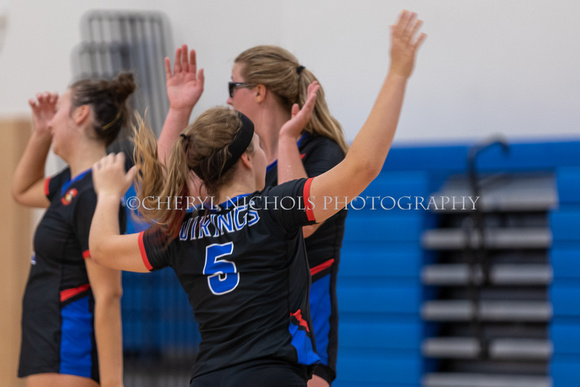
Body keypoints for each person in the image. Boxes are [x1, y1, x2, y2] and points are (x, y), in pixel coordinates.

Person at [89, 10, 425, 387]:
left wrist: (106, 197)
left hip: (207, 377)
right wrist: (397, 73)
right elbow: (363, 165)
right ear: (249, 158)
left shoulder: (181, 231)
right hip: (274, 372)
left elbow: (101, 248)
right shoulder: (276, 209)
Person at [158, 38, 348, 387]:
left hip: (305, 331)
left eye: (234, 86)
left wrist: (288, 141)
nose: (228, 98)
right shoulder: (243, 162)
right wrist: (178, 112)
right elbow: (176, 188)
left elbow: (302, 224)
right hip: (247, 342)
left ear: (259, 92)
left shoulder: (322, 152)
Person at [11, 72, 136, 387]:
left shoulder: (95, 192)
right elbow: (22, 190)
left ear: (81, 114)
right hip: (47, 347)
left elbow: (109, 293)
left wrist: (112, 383)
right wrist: (40, 133)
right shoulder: (70, 182)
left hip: (69, 351)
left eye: (56, 112)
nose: (50, 121)